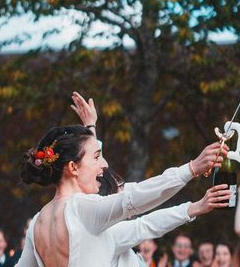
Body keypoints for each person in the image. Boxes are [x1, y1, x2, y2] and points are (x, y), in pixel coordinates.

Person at [16, 103, 226, 267]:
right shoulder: (81, 210)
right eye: (97, 157)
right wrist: (191, 168)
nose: (105, 165)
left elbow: (141, 226)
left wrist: (194, 208)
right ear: (72, 167)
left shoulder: (38, 223)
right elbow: (134, 197)